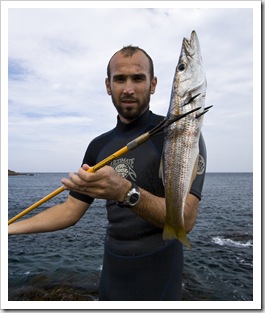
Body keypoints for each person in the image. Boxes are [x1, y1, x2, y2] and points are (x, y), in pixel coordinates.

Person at [8, 46, 207, 301]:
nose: (128, 88)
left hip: (161, 277)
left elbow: (185, 219)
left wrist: (125, 191)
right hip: (112, 273)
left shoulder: (181, 134)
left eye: (138, 78)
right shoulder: (98, 146)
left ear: (154, 84)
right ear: (108, 85)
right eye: (120, 79)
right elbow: (69, 211)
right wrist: (10, 228)